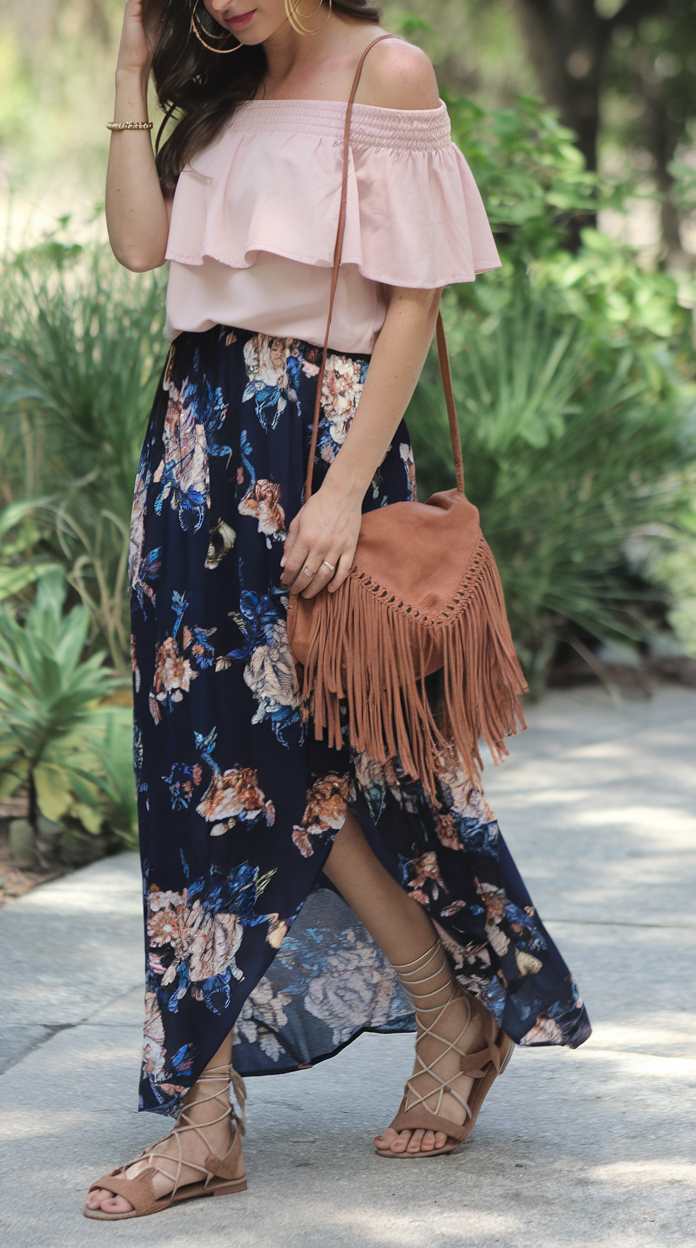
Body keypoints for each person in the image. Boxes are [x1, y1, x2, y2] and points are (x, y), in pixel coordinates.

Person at [84, 0, 591, 1221]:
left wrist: (342, 492)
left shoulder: (387, 71)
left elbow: (414, 301)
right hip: (195, 443)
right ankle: (207, 1119)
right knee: (195, 775)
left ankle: (447, 1009)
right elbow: (141, 249)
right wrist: (127, 75)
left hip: (318, 452)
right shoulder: (220, 76)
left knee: (335, 768)